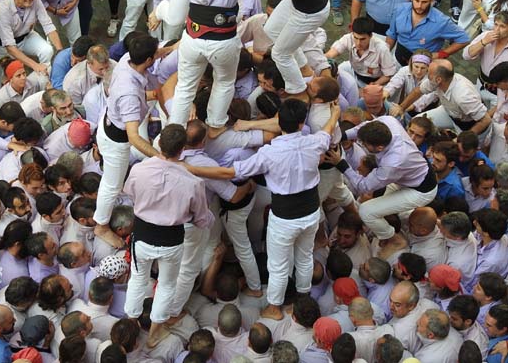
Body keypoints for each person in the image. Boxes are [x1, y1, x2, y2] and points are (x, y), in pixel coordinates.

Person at [187, 99, 341, 320]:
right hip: (310, 212)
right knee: (305, 257)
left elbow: (231, 173)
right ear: (301, 124)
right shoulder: (315, 142)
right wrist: (335, 113)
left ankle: (274, 307)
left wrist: (191, 168)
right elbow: (327, 130)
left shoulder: (269, 153)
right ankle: (302, 298)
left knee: (278, 266)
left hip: (285, 217)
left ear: (279, 123)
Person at [157, 0, 276, 135]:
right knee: (224, 82)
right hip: (223, 39)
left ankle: (175, 131)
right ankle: (215, 125)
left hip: (193, 35)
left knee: (185, 87)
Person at [123, 124, 213, 347]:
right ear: (183, 149)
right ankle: (154, 334)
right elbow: (202, 219)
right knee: (166, 285)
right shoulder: (193, 182)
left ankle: (130, 327)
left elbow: (130, 193)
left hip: (143, 236)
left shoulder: (139, 170)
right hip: (171, 241)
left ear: (159, 143)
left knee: (138, 280)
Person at [325, 116, 438, 251]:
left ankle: (393, 238)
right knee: (376, 206)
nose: (360, 144)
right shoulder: (388, 121)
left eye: (364, 144)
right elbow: (362, 128)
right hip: (409, 175)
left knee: (367, 211)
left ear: (379, 147)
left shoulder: (392, 163)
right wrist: (340, 137)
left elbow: (363, 186)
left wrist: (341, 164)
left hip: (421, 191)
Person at [93, 34, 163, 248]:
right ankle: (101, 226)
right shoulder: (130, 95)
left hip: (110, 119)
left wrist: (175, 47)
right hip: (117, 140)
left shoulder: (126, 59)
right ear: (148, 60)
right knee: (111, 186)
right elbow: (134, 137)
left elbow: (157, 53)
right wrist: (160, 157)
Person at [398, 59, 492, 138]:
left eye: (429, 73)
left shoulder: (463, 96)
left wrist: (463, 138)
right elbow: (418, 91)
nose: (427, 75)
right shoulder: (437, 80)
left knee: (461, 149)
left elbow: (485, 120)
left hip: (469, 124)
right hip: (448, 112)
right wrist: (401, 108)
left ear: (438, 79)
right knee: (416, 122)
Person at [386, 0, 470, 66]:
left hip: (422, 68)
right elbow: (392, 34)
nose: (419, 6)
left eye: (424, 2)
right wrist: (384, 56)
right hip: (397, 59)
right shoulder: (400, 10)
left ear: (431, 1)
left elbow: (464, 39)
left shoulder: (441, 21)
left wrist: (441, 54)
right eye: (417, 1)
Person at [0, 0, 63, 75]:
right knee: (9, 73)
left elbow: (48, 25)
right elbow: (10, 47)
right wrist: (35, 65)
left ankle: (44, 79)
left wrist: (60, 51)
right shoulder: (2, 10)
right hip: (5, 46)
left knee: (47, 50)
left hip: (27, 36)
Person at [325, 17, 398, 87]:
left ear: (370, 36)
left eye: (362, 39)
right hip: (353, 72)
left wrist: (373, 85)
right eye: (356, 38)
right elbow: (331, 53)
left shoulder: (382, 49)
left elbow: (388, 75)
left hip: (374, 81)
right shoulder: (348, 38)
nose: (358, 43)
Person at [463, 10, 508, 108]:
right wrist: (483, 42)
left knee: (493, 116)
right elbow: (466, 55)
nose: (497, 30)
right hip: (481, 84)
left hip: (500, 93)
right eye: (496, 24)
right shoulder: (486, 36)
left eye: (502, 26)